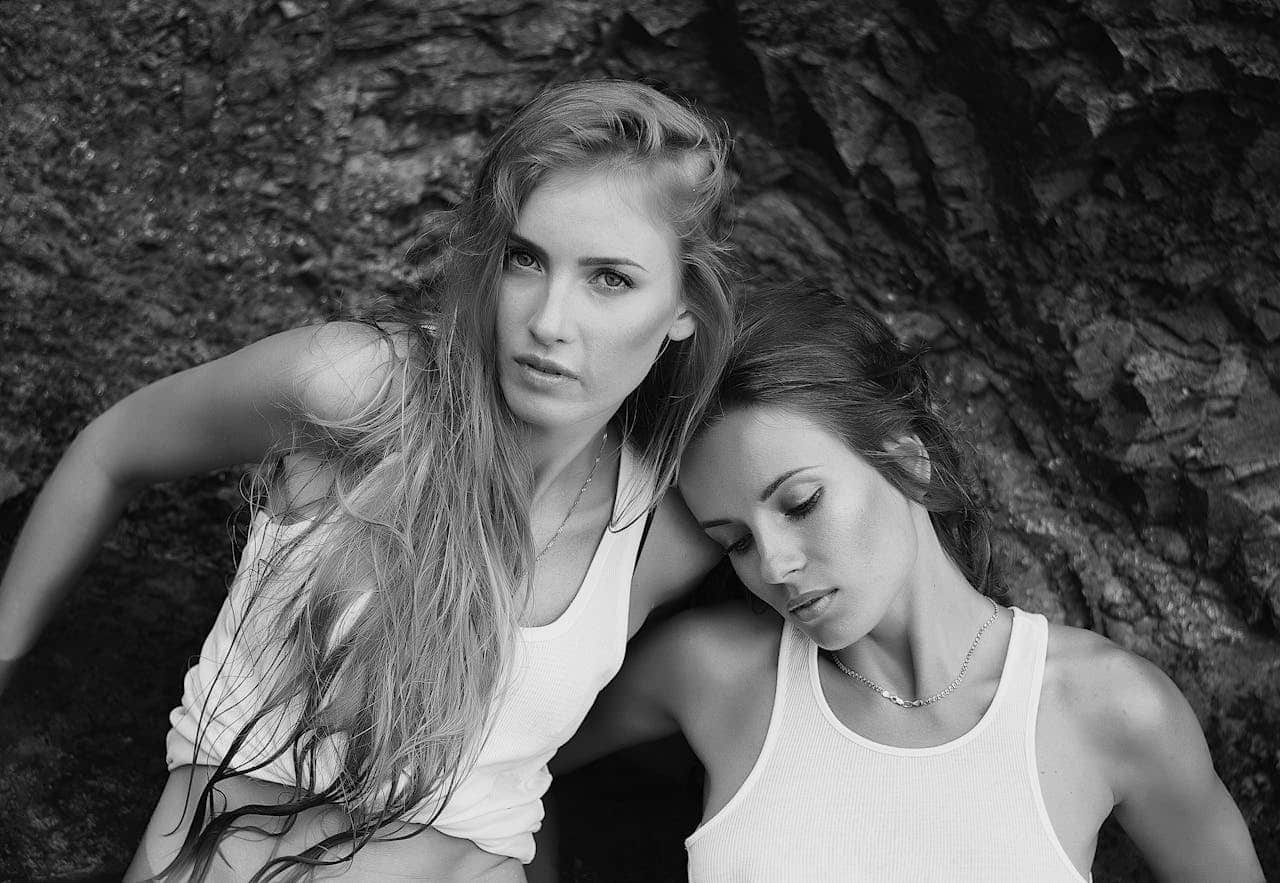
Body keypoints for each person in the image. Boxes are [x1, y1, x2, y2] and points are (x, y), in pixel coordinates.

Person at [0, 79, 734, 880]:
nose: (550, 320)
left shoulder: (668, 527)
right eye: (526, 259)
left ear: (685, 305)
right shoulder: (361, 394)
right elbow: (112, 450)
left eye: (611, 279)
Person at [557, 287, 1265, 882]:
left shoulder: (1109, 707)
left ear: (908, 460)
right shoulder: (709, 674)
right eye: (733, 540)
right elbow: (492, 774)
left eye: (801, 503)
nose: (771, 564)